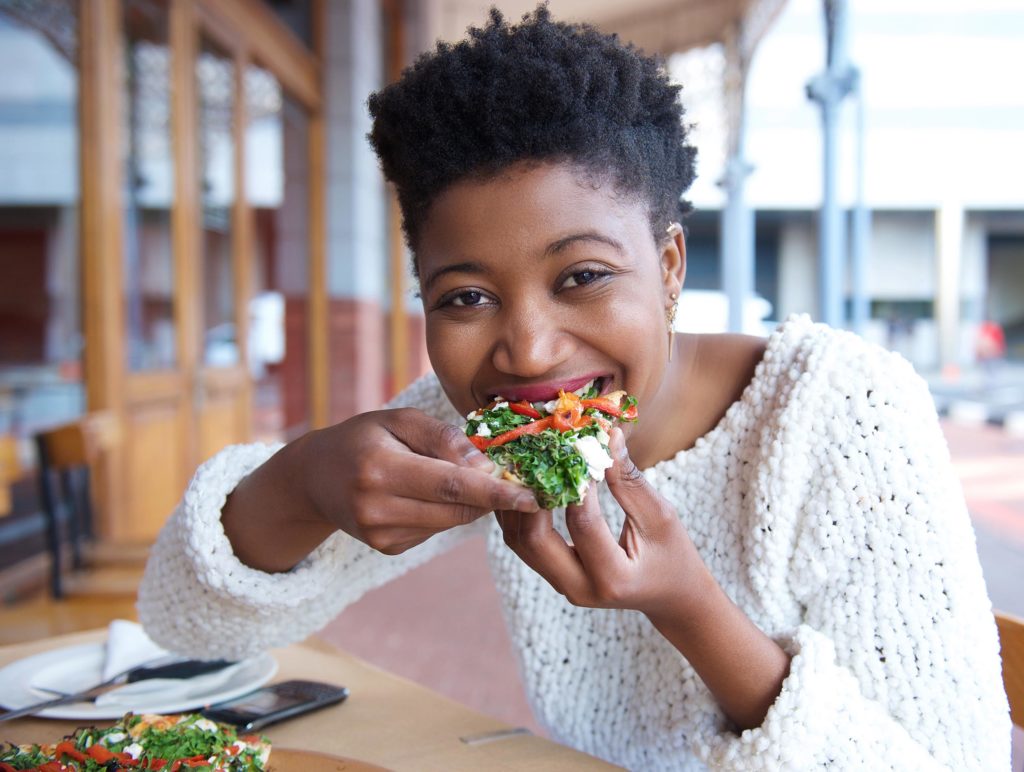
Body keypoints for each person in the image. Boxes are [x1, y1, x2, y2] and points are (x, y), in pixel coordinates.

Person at [139, 8, 1010, 769]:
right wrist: (301, 483)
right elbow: (189, 627)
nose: (526, 350)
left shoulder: (842, 411)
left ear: (669, 266)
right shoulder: (476, 428)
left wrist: (690, 607)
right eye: (466, 297)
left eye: (583, 276)